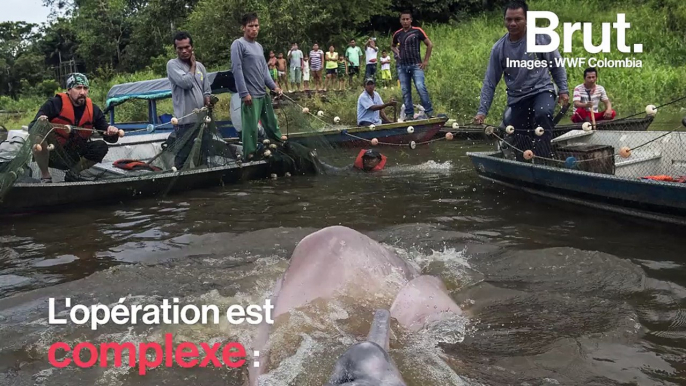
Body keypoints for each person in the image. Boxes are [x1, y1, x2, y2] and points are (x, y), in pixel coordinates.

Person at [473, 1, 569, 159]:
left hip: (542, 90)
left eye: (517, 19)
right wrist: (482, 111)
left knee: (543, 113)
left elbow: (556, 65)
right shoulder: (499, 48)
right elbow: (490, 82)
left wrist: (563, 90)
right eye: (508, 19)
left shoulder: (541, 39)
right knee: (517, 132)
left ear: (527, 20)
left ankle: (543, 160)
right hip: (517, 97)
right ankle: (521, 163)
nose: (512, 23)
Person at [28, 73, 120, 182]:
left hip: (75, 154)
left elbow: (108, 136)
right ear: (69, 90)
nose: (82, 92)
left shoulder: (94, 110)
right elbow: (32, 127)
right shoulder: (54, 103)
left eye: (85, 88)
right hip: (53, 153)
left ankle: (73, 173)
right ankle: (45, 176)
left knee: (101, 146)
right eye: (78, 88)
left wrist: (112, 132)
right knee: (38, 135)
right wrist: (41, 121)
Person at [230, 12, 283, 160]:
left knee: (272, 123)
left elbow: (264, 71)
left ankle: (279, 146)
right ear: (243, 28)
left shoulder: (259, 46)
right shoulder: (238, 44)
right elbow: (237, 69)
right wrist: (243, 93)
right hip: (250, 95)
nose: (254, 29)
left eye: (256, 25)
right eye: (250, 26)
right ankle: (250, 155)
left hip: (262, 92)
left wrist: (274, 87)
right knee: (251, 128)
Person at [166, 31, 213, 169]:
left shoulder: (201, 67)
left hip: (202, 120)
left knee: (204, 154)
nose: (184, 51)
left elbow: (207, 89)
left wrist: (207, 99)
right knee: (183, 156)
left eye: (187, 47)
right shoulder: (172, 65)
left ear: (192, 47)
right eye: (180, 48)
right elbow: (186, 83)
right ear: (176, 50)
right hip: (184, 122)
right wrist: (192, 66)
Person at [392, 10, 435, 119]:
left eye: (407, 19)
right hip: (402, 66)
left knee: (420, 87)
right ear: (400, 21)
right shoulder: (397, 34)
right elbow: (392, 46)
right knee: (405, 91)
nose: (405, 21)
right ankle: (409, 114)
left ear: (411, 20)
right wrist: (397, 52)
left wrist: (425, 61)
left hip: (416, 65)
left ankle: (429, 111)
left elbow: (429, 44)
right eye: (403, 19)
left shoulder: (417, 31)